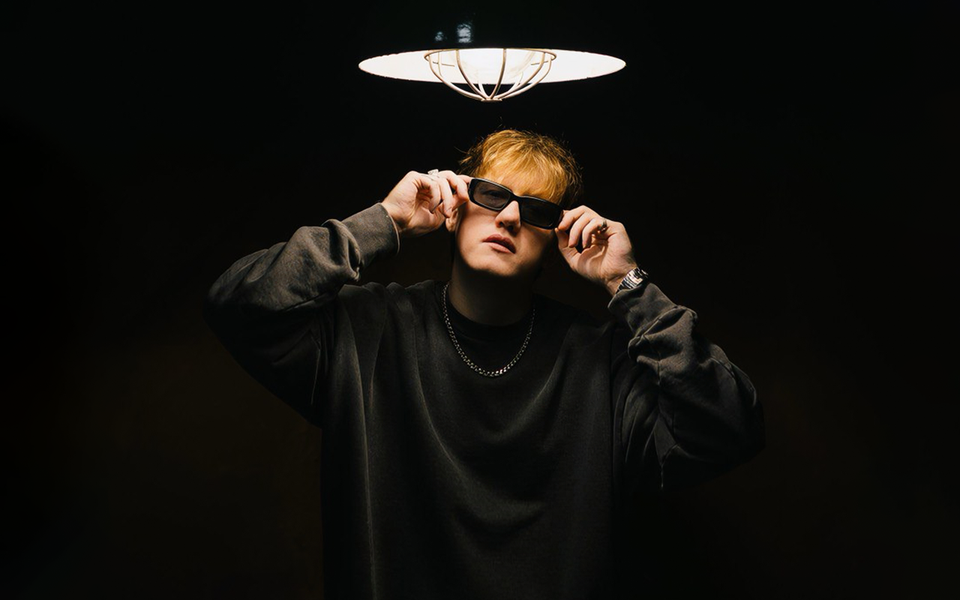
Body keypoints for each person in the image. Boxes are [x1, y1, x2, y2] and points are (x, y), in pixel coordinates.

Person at [204, 129, 764, 600]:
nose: (512, 216)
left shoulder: (602, 361)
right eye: (493, 195)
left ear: (557, 241)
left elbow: (728, 427)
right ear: (454, 208)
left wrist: (628, 283)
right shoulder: (364, 331)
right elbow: (238, 303)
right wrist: (383, 222)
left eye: (538, 210)